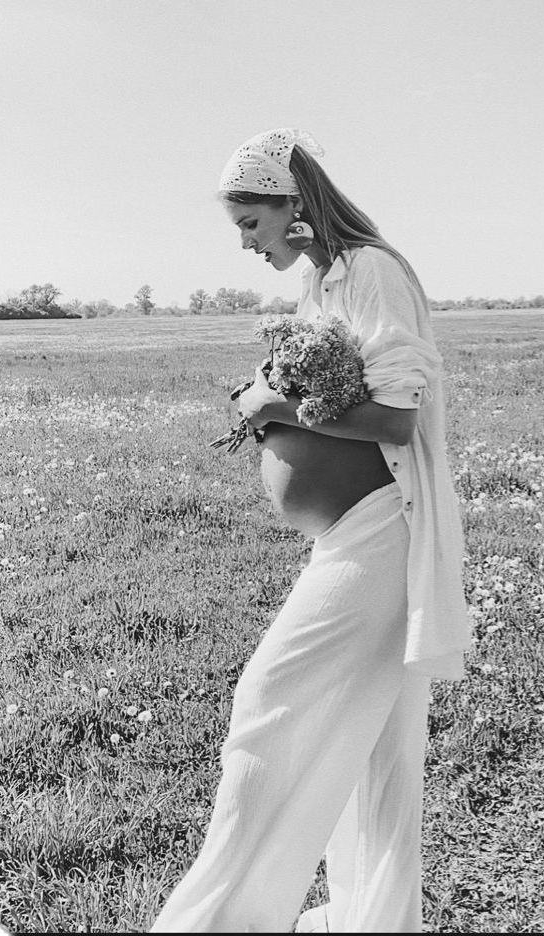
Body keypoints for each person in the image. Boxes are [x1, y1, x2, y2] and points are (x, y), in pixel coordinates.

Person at [151, 128, 470, 933]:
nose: (250, 247)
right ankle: (373, 918)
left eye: (251, 226)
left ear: (291, 203)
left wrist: (276, 408)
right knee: (377, 754)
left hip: (382, 536)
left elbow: (396, 419)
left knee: (270, 703)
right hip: (349, 536)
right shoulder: (327, 279)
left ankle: (221, 921)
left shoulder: (372, 270)